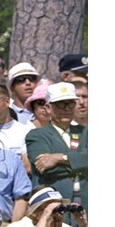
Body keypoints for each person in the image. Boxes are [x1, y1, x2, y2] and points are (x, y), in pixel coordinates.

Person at [25, 82, 88, 212]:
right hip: (55, 204)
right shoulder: (37, 135)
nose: (66, 109)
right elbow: (46, 169)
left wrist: (61, 158)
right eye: (60, 104)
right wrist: (82, 161)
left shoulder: (85, 132)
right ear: (48, 107)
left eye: (70, 103)